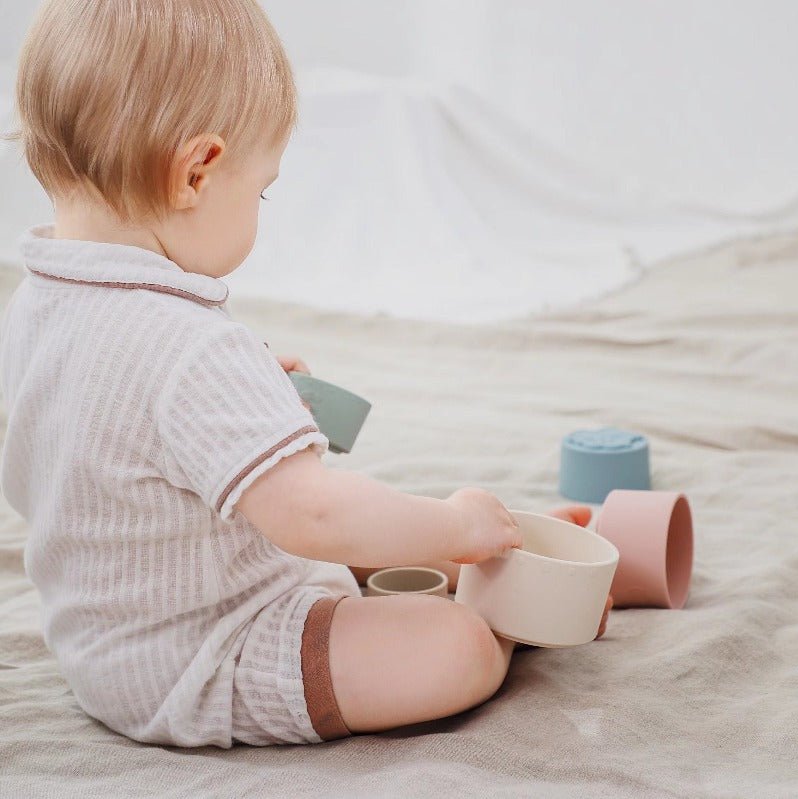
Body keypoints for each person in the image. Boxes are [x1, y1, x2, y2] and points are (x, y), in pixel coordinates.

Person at [0, 0, 611, 748]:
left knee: (373, 536)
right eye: (262, 189)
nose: (261, 204)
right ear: (197, 170)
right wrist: (455, 525)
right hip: (212, 650)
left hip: (101, 649)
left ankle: (489, 563)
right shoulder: (186, 346)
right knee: (452, 644)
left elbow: (107, 441)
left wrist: (250, 404)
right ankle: (509, 596)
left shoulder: (36, 301)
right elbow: (311, 517)